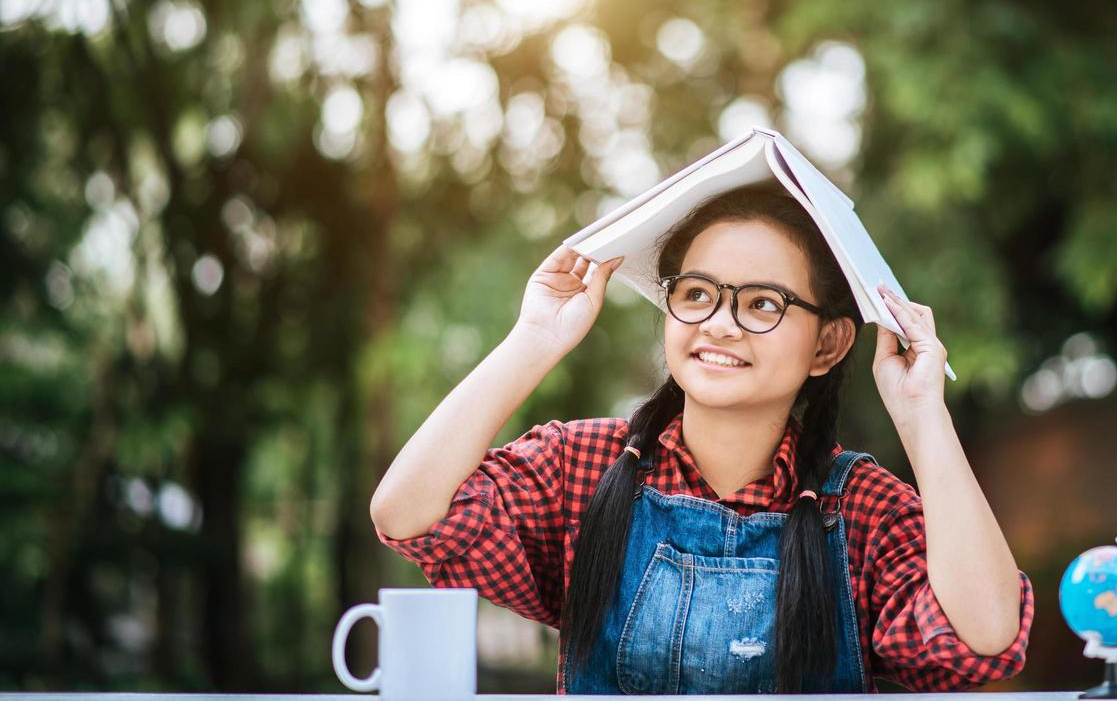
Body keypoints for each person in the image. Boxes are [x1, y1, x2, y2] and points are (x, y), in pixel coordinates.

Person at [370, 183, 1033, 693]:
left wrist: (922, 412)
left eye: (762, 304)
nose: (718, 324)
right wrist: (535, 339)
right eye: (697, 293)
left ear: (828, 343)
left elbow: (982, 639)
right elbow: (408, 515)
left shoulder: (859, 508)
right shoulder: (583, 465)